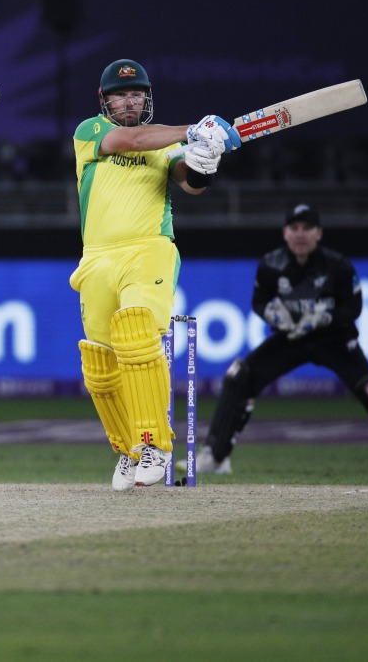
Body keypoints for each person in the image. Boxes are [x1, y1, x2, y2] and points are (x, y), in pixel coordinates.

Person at [69, 58, 240, 492]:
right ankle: (127, 449)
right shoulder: (91, 132)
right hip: (97, 258)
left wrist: (206, 158)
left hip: (149, 251)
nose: (128, 102)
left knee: (138, 331)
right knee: (100, 365)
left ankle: (154, 445)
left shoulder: (166, 147)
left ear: (146, 98)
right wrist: (193, 130)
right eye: (120, 95)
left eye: (136, 94)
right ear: (104, 102)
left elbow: (192, 183)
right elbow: (131, 139)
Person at [186, 204, 368, 475]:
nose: (300, 234)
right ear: (285, 233)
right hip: (292, 338)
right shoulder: (271, 265)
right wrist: (272, 314)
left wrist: (325, 317)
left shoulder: (337, 265)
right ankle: (216, 457)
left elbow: (354, 307)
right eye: (294, 228)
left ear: (319, 233)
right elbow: (259, 301)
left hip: (334, 340)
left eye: (307, 228)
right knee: (238, 375)